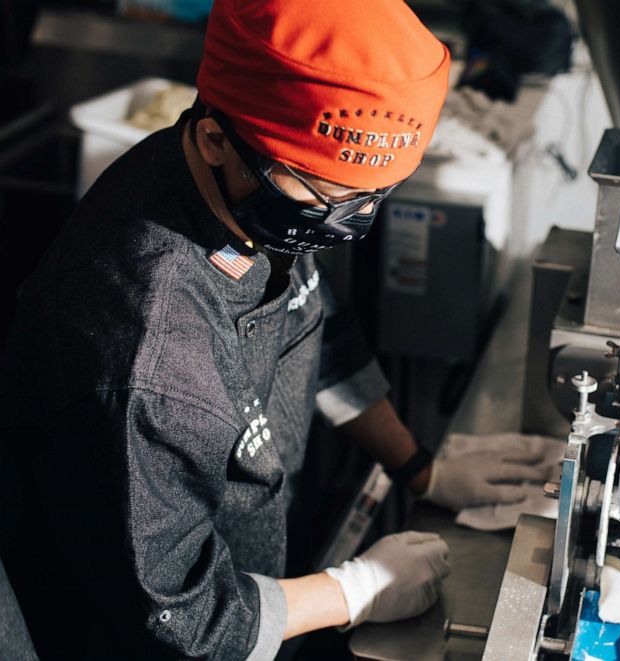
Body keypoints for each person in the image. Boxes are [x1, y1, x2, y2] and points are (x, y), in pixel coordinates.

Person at [0, 1, 550, 658]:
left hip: (259, 560)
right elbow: (176, 616)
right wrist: (355, 588)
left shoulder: (249, 191)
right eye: (327, 199)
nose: (348, 225)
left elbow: (312, 318)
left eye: (372, 197)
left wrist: (418, 468)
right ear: (214, 139)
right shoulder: (148, 358)